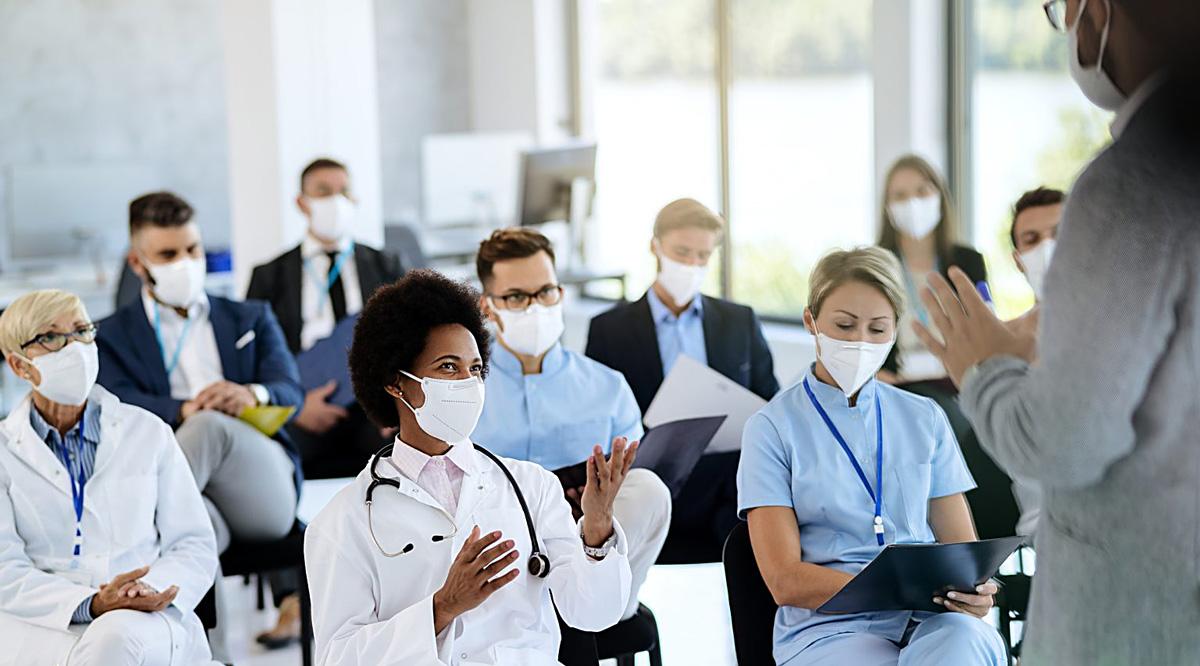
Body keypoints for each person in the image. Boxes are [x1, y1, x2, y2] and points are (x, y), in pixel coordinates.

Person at [913, 1, 1199, 662]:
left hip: (1131, 619)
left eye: (1059, 7)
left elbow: (1062, 440)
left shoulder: (1131, 184)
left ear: (1098, 11)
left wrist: (982, 369)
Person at [305, 269, 636, 665]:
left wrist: (597, 532)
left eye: (475, 369)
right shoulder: (344, 521)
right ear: (396, 383)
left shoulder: (530, 487)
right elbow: (337, 657)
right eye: (448, 367)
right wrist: (441, 608)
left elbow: (593, 614)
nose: (468, 382)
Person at [737, 248, 1007, 666]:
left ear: (895, 330)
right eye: (844, 325)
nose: (859, 342)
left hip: (930, 619)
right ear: (811, 321)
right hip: (830, 628)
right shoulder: (771, 427)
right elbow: (784, 579)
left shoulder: (925, 417)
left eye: (877, 329)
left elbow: (962, 552)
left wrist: (976, 592)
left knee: (964, 644)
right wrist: (893, 588)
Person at [0, 290, 219, 666]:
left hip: (142, 616)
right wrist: (92, 603)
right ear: (19, 366)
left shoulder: (148, 432)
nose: (74, 348)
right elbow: (5, 568)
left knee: (114, 641)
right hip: (42, 624)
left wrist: (146, 589)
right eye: (51, 338)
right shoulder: (5, 451)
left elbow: (193, 541)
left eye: (82, 331)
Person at [471, 228, 671, 624]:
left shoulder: (608, 386)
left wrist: (598, 501)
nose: (535, 307)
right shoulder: (466, 389)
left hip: (590, 546)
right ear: (488, 307)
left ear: (560, 293)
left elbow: (631, 479)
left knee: (649, 489)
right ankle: (539, 616)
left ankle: (599, 608)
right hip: (501, 558)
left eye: (545, 292)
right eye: (516, 297)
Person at [96, 191, 301, 552]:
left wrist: (253, 394)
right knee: (192, 541)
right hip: (190, 486)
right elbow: (113, 404)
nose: (185, 263)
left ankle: (127, 536)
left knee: (207, 427)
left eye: (193, 250)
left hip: (261, 485)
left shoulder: (251, 317)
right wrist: (182, 410)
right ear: (137, 263)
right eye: (168, 255)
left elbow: (290, 390)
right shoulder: (111, 335)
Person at [586, 198, 779, 561]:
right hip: (651, 477)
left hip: (728, 478)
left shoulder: (739, 322)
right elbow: (596, 417)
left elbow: (770, 401)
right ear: (654, 245)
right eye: (682, 251)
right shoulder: (610, 330)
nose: (692, 264)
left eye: (703, 256)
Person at [247, 157, 405, 480]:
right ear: (302, 203)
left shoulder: (385, 266)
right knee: (276, 459)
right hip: (300, 407)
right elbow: (254, 356)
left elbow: (409, 339)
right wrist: (296, 406)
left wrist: (391, 404)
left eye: (343, 191)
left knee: (399, 452)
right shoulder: (269, 276)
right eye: (323, 191)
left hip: (372, 405)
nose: (335, 200)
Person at [876, 154, 987, 385]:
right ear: (888, 207)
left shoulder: (968, 262)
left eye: (922, 191)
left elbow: (984, 332)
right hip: (896, 389)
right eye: (900, 196)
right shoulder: (875, 268)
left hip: (957, 387)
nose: (912, 203)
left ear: (939, 197)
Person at [1006, 186, 1065, 537]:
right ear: (1018, 259)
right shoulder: (1007, 345)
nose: (1046, 247)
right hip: (1047, 532)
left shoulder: (1132, 329)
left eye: (1059, 233)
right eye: (1032, 239)